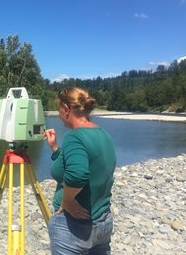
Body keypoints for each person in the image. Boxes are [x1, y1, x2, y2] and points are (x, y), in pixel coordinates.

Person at [44, 87, 116, 255]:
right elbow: (86, 163)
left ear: (66, 109)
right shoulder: (103, 134)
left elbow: (78, 174)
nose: (59, 114)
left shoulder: (74, 136)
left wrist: (68, 201)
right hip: (102, 220)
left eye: (59, 109)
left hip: (75, 226)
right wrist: (55, 148)